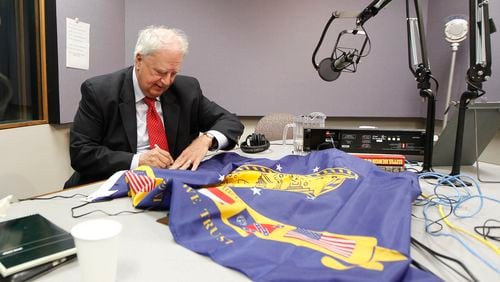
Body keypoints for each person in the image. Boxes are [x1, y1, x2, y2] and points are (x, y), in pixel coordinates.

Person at [64, 26, 244, 188]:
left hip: (166, 186)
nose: (166, 82)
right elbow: (82, 153)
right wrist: (138, 161)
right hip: (110, 185)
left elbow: (230, 122)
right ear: (139, 60)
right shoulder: (100, 91)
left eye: (173, 74)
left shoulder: (186, 90)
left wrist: (206, 139)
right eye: (160, 72)